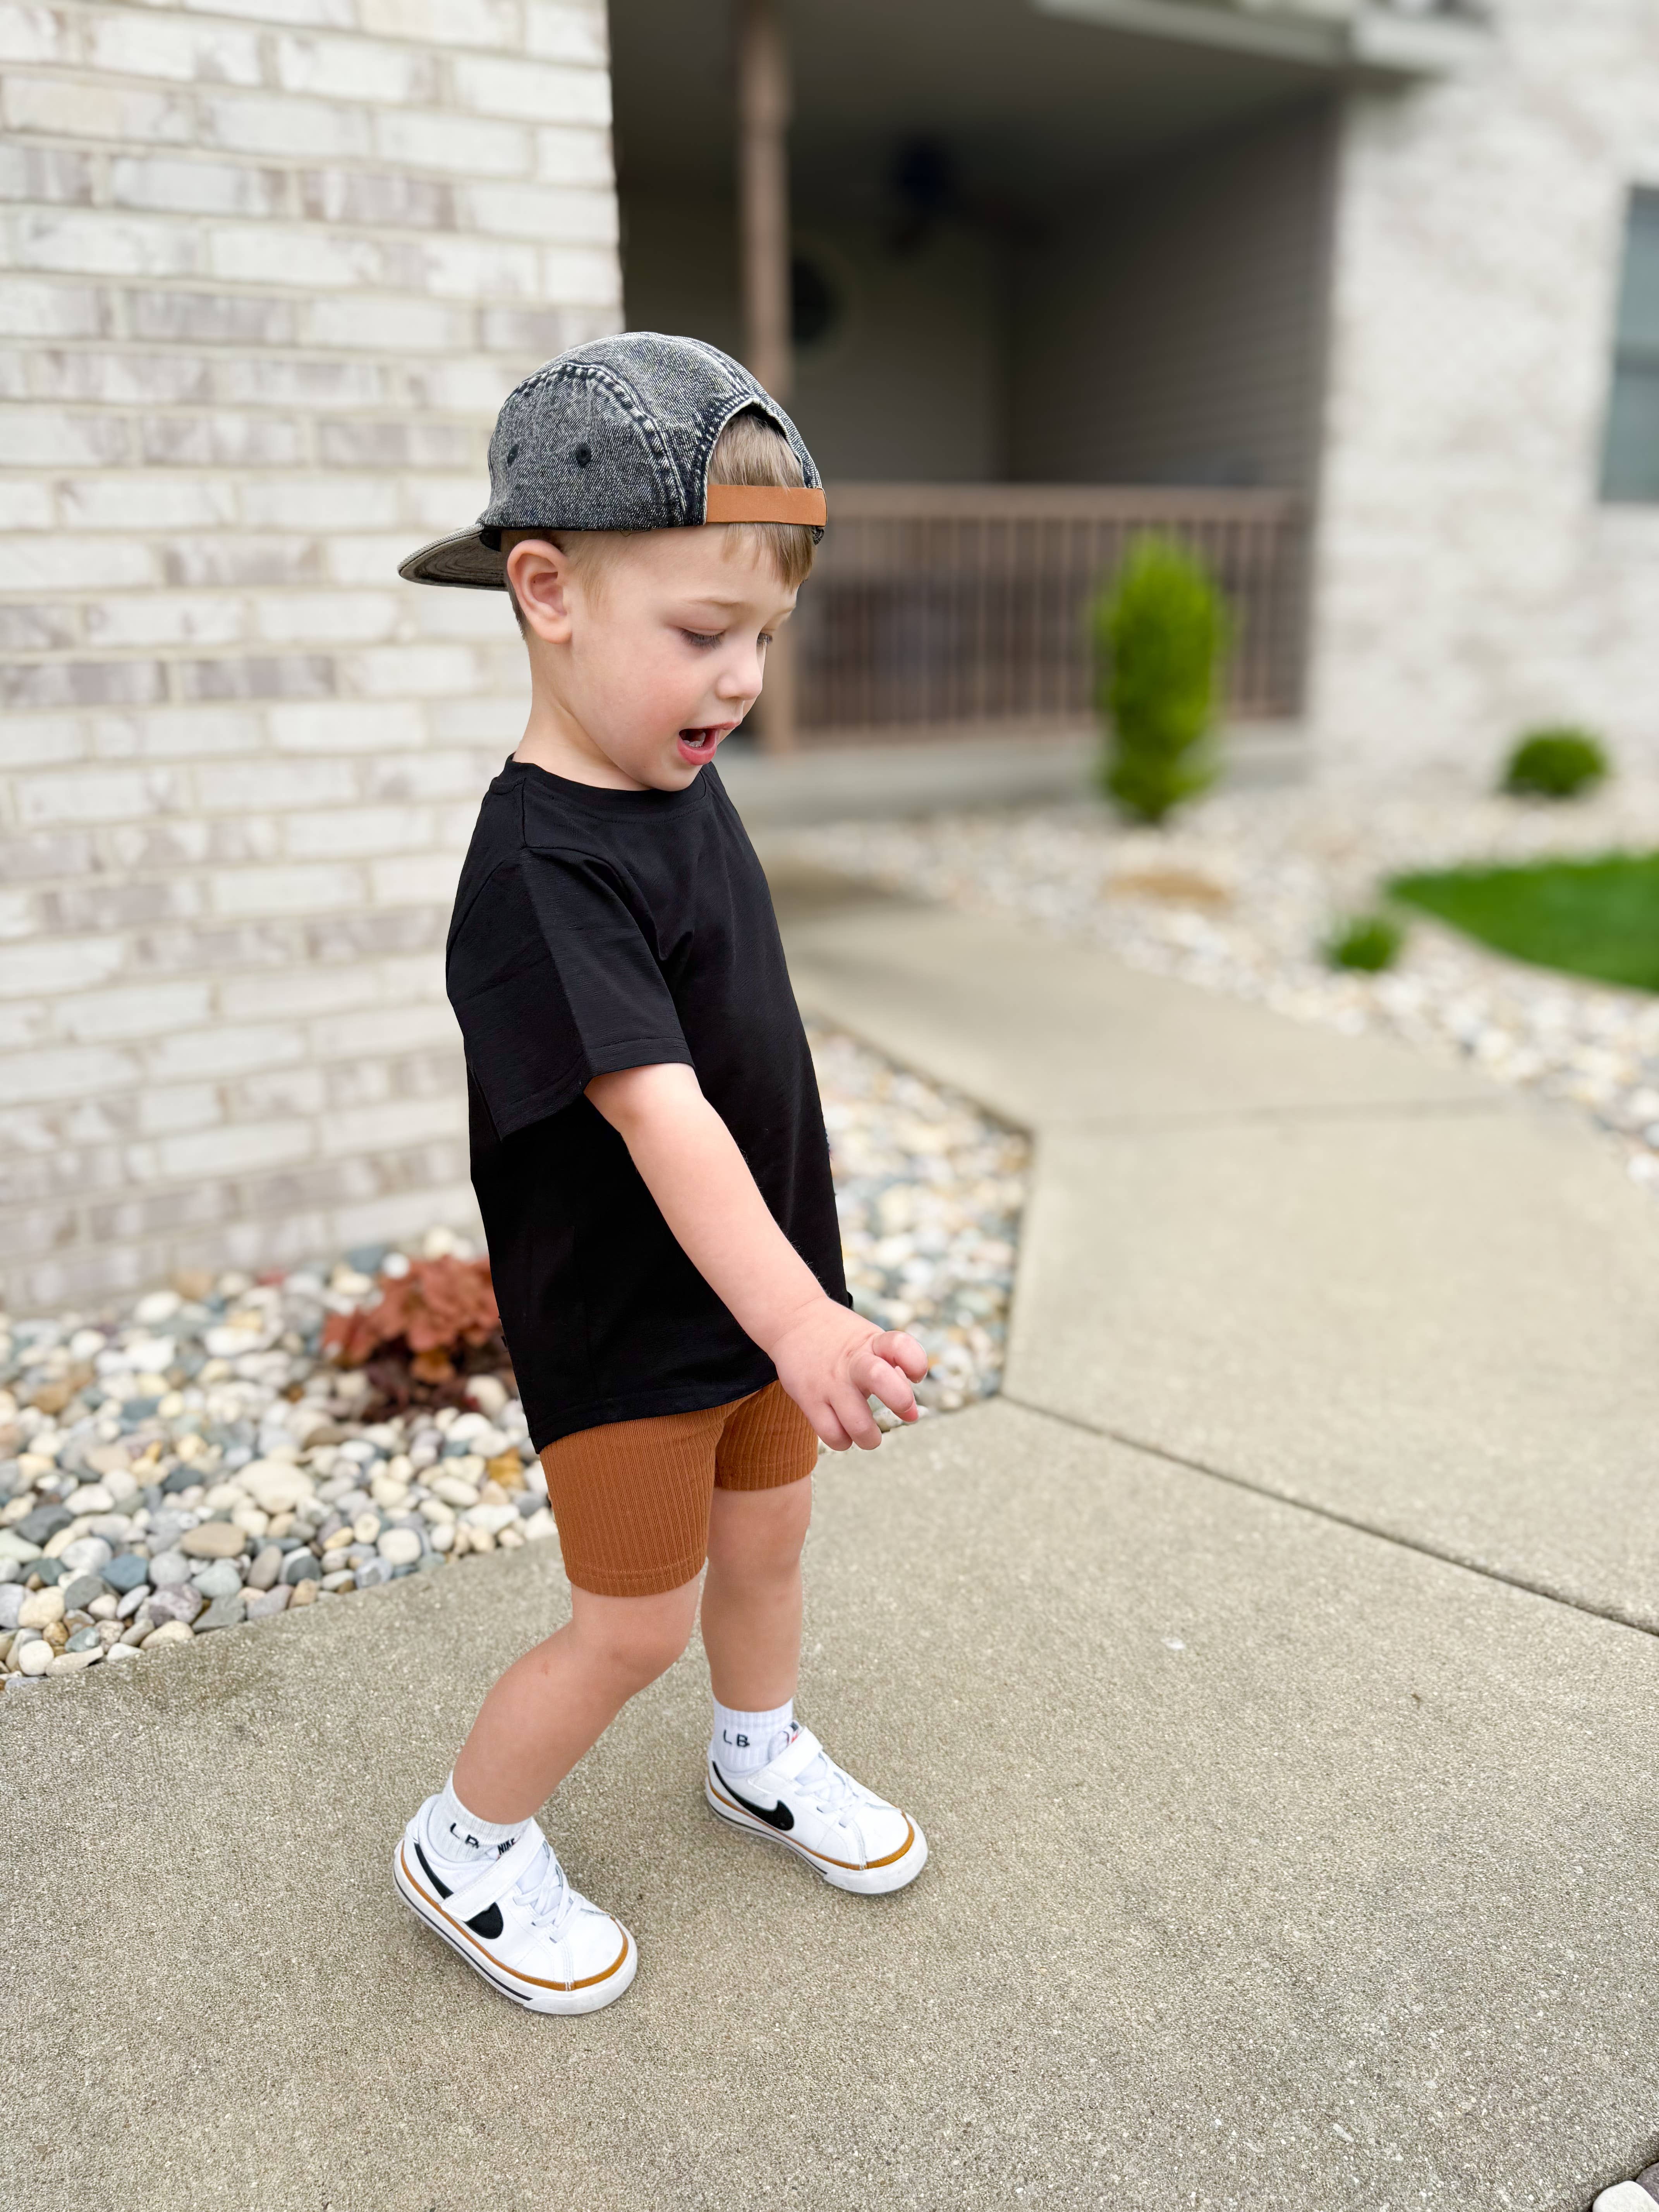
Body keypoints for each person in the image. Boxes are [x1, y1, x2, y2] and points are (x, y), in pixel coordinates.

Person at [388, 333, 931, 2015]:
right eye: (703, 633)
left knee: (768, 1550)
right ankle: (466, 1844)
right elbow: (662, 1115)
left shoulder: (670, 769)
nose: (741, 679)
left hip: (762, 1296)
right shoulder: (540, 865)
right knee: (629, 1625)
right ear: (547, 592)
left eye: (764, 635)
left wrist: (794, 1310)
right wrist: (804, 1320)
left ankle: (757, 1753)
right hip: (635, 1328)